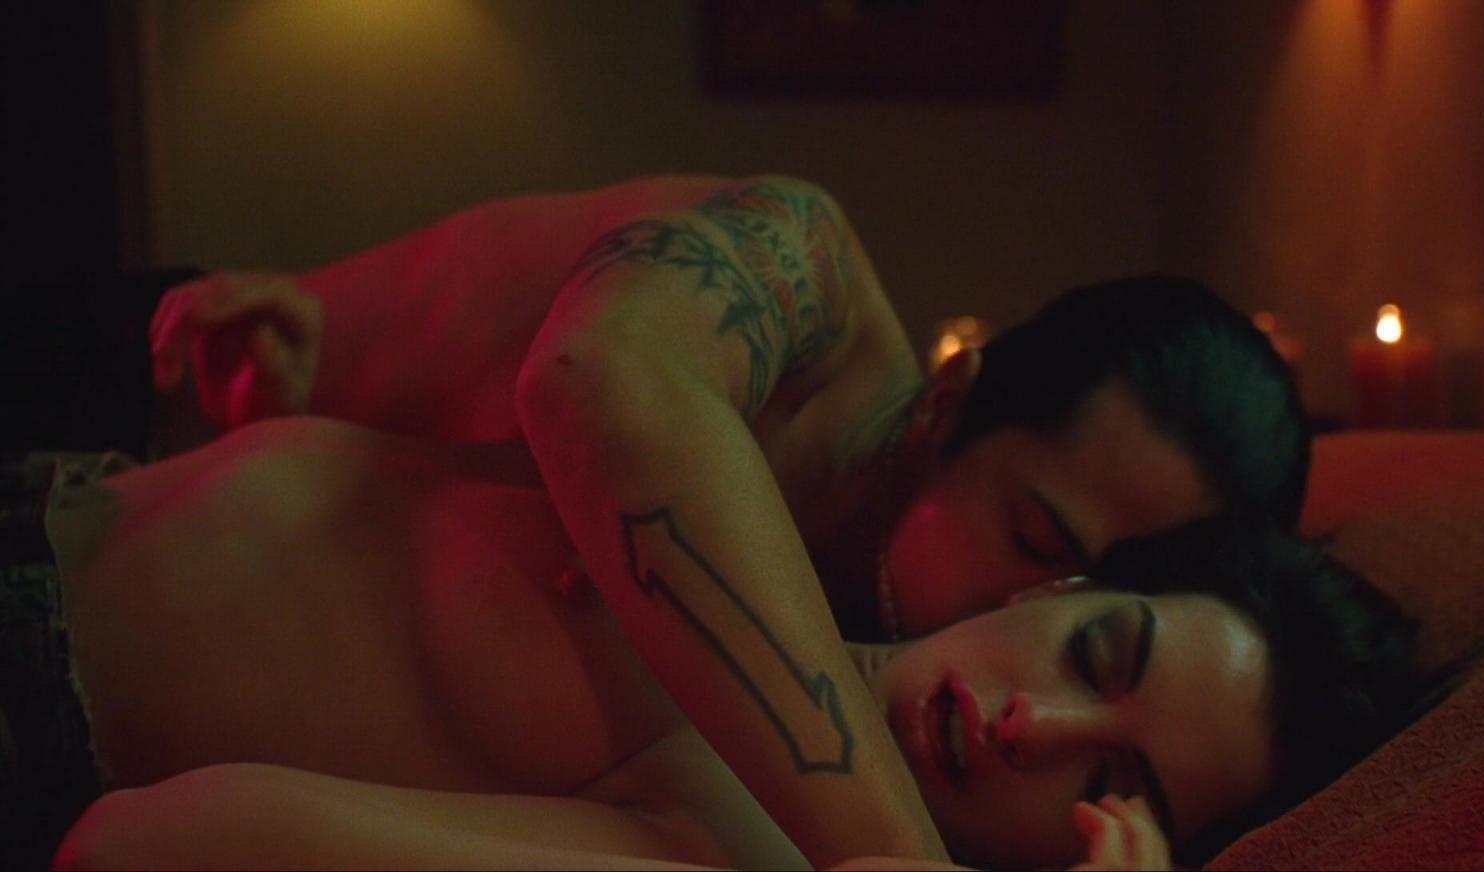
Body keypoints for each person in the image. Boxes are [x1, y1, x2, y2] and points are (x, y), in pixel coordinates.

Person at [27, 175, 1309, 864]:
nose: (1030, 697)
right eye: (1033, 542)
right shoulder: (807, 301)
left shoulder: (842, 770)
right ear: (949, 402)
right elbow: (603, 379)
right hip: (119, 418)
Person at [15, 417, 1429, 869]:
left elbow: (147, 848)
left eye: (1110, 786)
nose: (1032, 728)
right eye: (1097, 657)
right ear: (1050, 587)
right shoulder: (814, 503)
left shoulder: (751, 835)